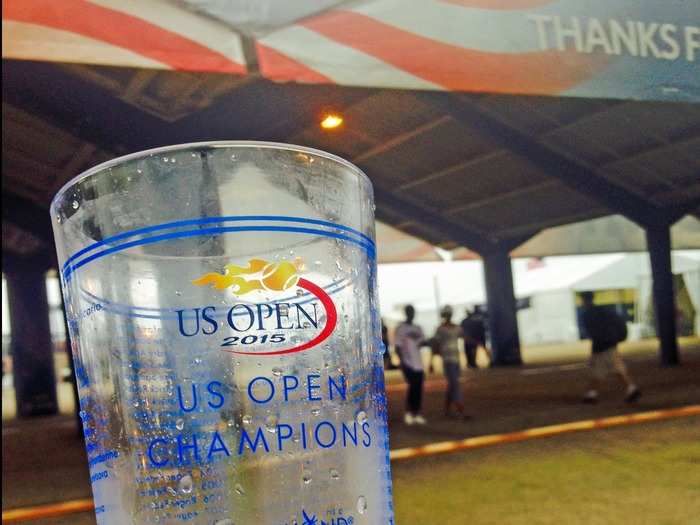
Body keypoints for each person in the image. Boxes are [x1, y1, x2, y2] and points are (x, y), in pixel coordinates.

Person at [580, 291, 641, 403]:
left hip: (602, 346)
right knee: (615, 368)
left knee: (599, 370)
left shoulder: (587, 314)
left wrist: (596, 349)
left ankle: (592, 394)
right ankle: (631, 388)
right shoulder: (603, 310)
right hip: (610, 343)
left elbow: (594, 333)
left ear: (584, 300)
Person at [433, 305, 468, 418]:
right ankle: (461, 410)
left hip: (455, 359)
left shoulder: (452, 328)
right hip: (448, 360)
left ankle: (446, 410)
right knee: (455, 384)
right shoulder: (441, 329)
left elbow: (465, 337)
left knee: (452, 385)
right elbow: (436, 344)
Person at [394, 304, 427, 425]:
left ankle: (416, 413)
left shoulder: (418, 328)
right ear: (406, 313)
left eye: (412, 311)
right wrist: (402, 361)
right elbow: (397, 346)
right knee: (412, 387)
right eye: (409, 311)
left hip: (418, 363)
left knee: (419, 388)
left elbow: (424, 341)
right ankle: (408, 412)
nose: (411, 314)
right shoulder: (401, 328)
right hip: (408, 362)